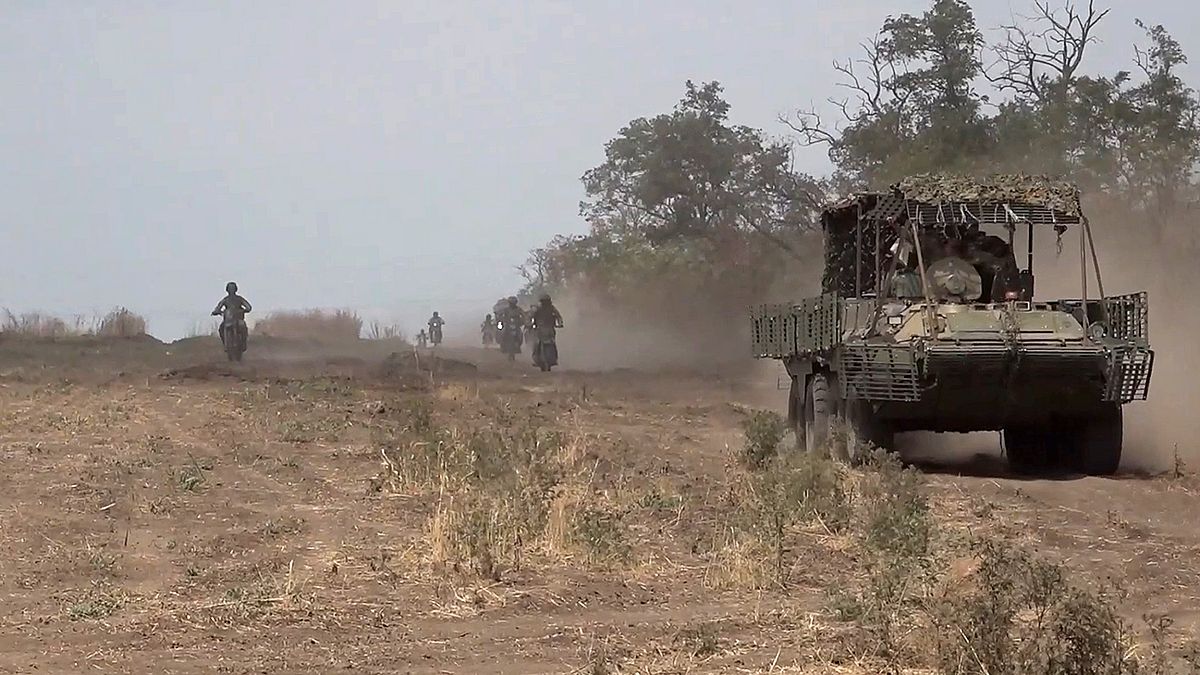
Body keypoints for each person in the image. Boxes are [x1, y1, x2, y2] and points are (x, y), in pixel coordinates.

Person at [211, 281, 252, 346]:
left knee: (243, 327)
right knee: (221, 328)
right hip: (228, 320)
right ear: (227, 290)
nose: (231, 290)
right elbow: (218, 307)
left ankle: (244, 343)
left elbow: (248, 307)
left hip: (239, 320)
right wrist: (216, 311)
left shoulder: (239, 299)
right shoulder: (225, 300)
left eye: (232, 288)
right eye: (230, 288)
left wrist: (244, 310)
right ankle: (225, 343)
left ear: (235, 289)